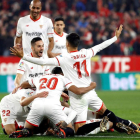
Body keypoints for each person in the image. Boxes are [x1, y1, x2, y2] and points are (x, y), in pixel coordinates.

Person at [10, 25, 140, 134]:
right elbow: (101, 46)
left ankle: (102, 124)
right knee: (105, 111)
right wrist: (115, 37)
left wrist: (23, 57)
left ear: (67, 44)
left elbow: (43, 62)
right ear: (78, 43)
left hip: (78, 96)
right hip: (91, 92)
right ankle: (130, 125)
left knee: (79, 130)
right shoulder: (87, 52)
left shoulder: (63, 58)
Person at [9, 72, 96, 138]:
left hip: (37, 105)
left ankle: (24, 132)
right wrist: (91, 86)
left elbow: (24, 84)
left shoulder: (40, 77)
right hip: (53, 106)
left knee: (28, 129)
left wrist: (38, 87)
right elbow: (78, 91)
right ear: (62, 73)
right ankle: (61, 131)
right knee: (70, 129)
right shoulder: (63, 78)